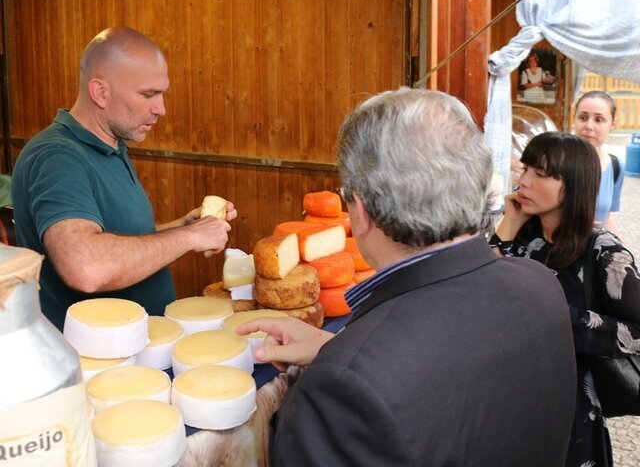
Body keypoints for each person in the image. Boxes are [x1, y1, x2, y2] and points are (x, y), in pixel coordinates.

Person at [238, 88, 577, 466]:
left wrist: (348, 362)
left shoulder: (343, 387)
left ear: (362, 211)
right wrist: (336, 349)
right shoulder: (540, 285)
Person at [12, 27, 236, 331]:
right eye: (148, 95)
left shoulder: (109, 145)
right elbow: (86, 267)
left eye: (161, 94)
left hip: (143, 345)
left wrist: (182, 227)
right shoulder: (57, 158)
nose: (161, 109)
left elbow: (119, 240)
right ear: (100, 92)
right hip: (101, 356)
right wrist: (190, 237)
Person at [491, 131, 640, 467]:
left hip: (569, 411)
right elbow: (481, 291)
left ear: (573, 184)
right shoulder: (521, 237)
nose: (523, 181)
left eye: (540, 174)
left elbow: (636, 332)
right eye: (525, 169)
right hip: (507, 399)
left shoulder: (604, 252)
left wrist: (562, 318)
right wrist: (509, 223)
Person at [574, 90, 624, 231]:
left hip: (595, 243)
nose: (589, 126)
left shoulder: (615, 166)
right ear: (574, 118)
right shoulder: (555, 161)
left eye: (598, 120)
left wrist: (617, 241)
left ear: (612, 124)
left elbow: (605, 218)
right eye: (583, 118)